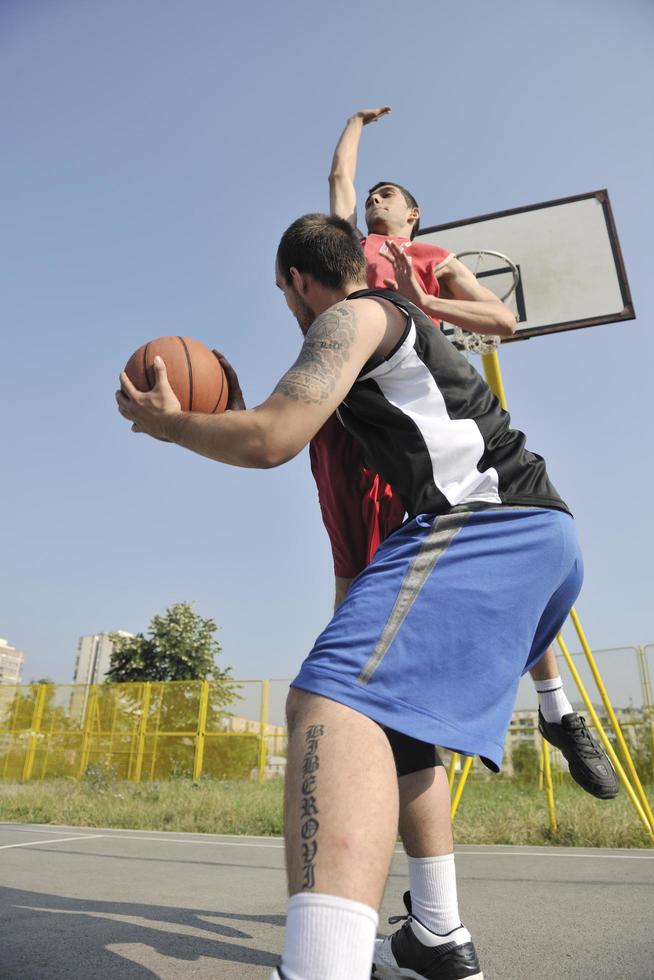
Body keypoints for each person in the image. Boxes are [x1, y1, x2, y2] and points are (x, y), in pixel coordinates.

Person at [118, 214, 587, 979]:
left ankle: (318, 969)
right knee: (397, 729)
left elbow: (273, 437)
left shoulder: (355, 314)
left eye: (283, 291)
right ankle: (437, 930)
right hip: (533, 539)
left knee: (326, 702)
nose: (289, 307)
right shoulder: (391, 342)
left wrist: (170, 425)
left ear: (300, 281)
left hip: (488, 527)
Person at [311, 106, 618, 804]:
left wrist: (429, 303)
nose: (373, 198)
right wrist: (356, 121)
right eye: (371, 194)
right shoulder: (345, 251)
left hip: (421, 425)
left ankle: (555, 708)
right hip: (348, 425)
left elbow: (503, 320)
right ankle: (359, 725)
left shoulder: (430, 259)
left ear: (414, 215)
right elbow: (337, 176)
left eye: (388, 195)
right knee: (354, 580)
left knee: (494, 548)